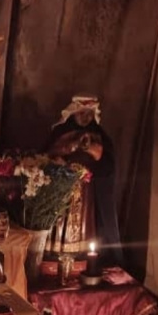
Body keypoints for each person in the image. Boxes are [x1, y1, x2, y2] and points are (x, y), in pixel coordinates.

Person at [44, 95, 123, 264]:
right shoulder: (60, 133)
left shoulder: (100, 136)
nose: (85, 117)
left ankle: (84, 259)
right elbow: (48, 156)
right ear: (73, 112)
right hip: (62, 190)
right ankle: (56, 258)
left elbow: (107, 165)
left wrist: (90, 150)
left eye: (89, 114)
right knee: (60, 224)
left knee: (86, 226)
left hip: (87, 192)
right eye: (81, 113)